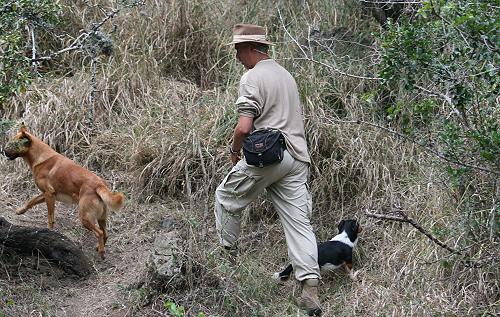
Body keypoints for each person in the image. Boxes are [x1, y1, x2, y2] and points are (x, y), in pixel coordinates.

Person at [214, 23, 322, 316]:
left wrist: (234, 150)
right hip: (298, 158)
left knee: (225, 197)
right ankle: (309, 289)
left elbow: (244, 126)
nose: (237, 56)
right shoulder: (285, 74)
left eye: (238, 50)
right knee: (299, 223)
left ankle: (228, 265)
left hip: (270, 156)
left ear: (250, 49)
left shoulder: (251, 77)